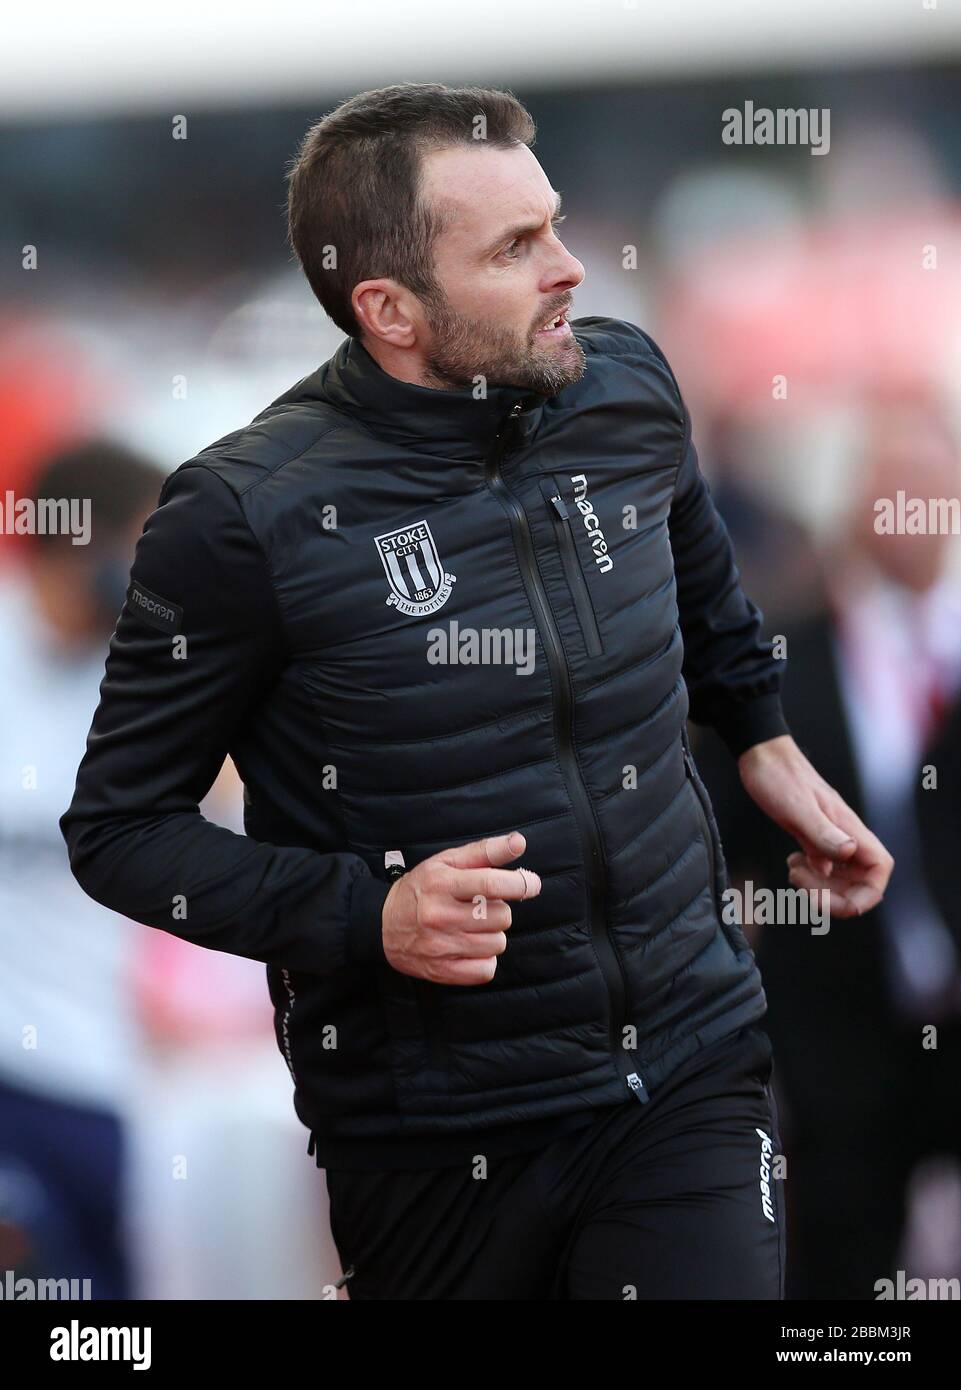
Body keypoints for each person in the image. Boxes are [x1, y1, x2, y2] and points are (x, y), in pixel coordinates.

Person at [60, 83, 892, 1301]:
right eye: (514, 247)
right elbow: (120, 833)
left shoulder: (624, 389)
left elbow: (702, 580)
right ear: (388, 309)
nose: (569, 269)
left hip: (690, 1062)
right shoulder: (243, 516)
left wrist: (761, 735)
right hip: (433, 1134)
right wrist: (370, 914)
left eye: (553, 225)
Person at [696, 397, 961, 1300]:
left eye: (926, 481)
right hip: (839, 1049)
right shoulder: (777, 664)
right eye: (888, 483)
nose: (907, 504)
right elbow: (720, 853)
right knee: (840, 1296)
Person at [0, 439, 164, 1299]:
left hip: (93, 1072)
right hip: (9, 1079)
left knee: (106, 1323)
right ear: (88, 549)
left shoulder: (140, 674)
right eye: (152, 546)